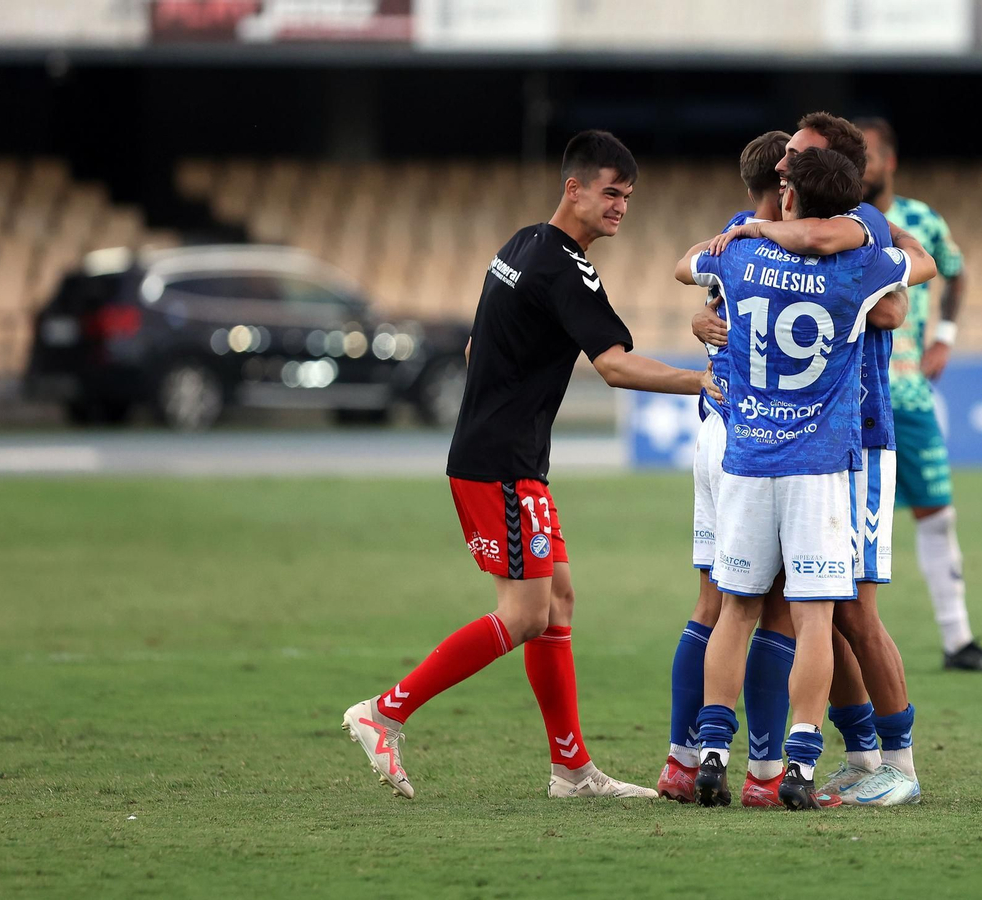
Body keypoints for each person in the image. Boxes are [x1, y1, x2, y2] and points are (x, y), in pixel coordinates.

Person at [342, 130, 716, 801]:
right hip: (502, 466)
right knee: (522, 614)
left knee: (558, 599)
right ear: (573, 188)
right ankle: (385, 711)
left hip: (500, 457)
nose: (620, 207)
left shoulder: (520, 245)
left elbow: (472, 347)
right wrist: (701, 382)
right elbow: (614, 366)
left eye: (627, 196)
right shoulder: (563, 267)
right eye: (610, 192)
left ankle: (571, 771)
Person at [677, 146, 935, 810]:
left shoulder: (737, 251)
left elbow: (687, 266)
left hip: (748, 454)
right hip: (819, 464)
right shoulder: (859, 265)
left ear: (789, 194)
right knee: (815, 616)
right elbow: (913, 284)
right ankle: (800, 765)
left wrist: (746, 241)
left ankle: (709, 753)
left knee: (737, 607)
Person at [659, 129, 804, 808]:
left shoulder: (730, 240)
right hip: (766, 443)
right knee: (772, 610)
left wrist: (700, 315)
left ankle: (683, 762)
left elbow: (685, 267)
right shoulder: (799, 244)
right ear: (785, 182)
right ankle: (765, 774)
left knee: (711, 604)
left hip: (713, 433)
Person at [855, 117, 982, 673]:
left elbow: (956, 270)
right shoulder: (838, 221)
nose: (862, 165)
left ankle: (958, 641)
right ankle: (834, 638)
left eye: (869, 155)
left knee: (937, 515)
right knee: (843, 522)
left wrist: (944, 338)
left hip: (910, 392)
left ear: (890, 160)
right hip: (852, 394)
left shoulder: (922, 219)